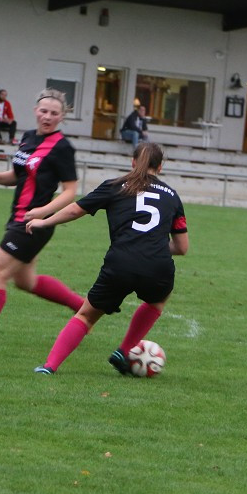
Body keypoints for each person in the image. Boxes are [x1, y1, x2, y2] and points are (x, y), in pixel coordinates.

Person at [26, 141, 189, 375]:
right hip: (158, 266)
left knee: (86, 315)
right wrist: (154, 246)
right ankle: (123, 350)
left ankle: (49, 367)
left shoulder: (115, 186)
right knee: (157, 301)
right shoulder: (172, 196)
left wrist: (44, 221)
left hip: (120, 262)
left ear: (133, 162)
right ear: (160, 167)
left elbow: (75, 210)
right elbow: (182, 247)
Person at [0, 88, 83, 345]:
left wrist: (43, 212)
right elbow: (18, 175)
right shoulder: (28, 137)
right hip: (19, 217)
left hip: (35, 223)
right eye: (44, 111)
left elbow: (70, 192)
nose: (47, 116)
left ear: (61, 117)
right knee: (25, 281)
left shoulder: (63, 147)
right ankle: (83, 308)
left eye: (54, 113)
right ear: (36, 111)